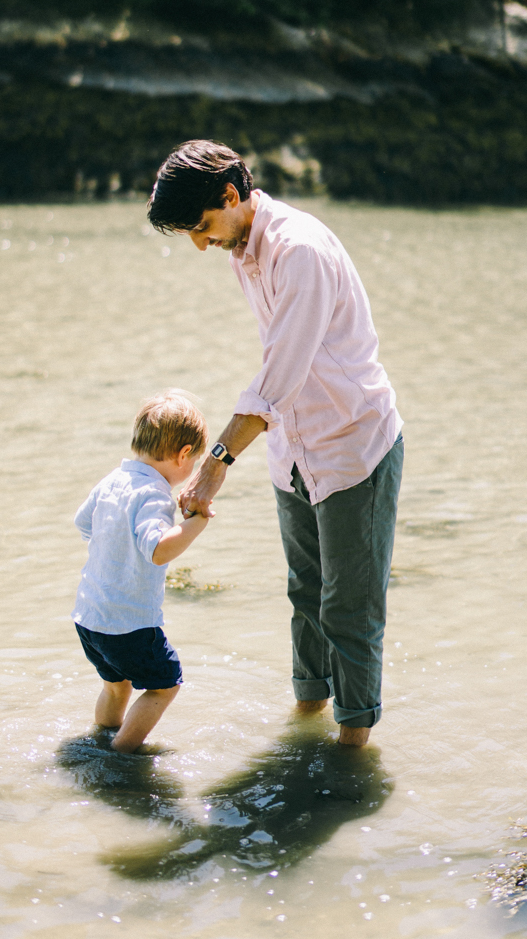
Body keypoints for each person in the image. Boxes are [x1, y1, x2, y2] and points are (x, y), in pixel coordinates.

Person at [148, 142, 403, 748]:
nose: (200, 244)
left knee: (350, 608)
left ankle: (349, 755)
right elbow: (279, 379)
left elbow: (281, 372)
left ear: (231, 196)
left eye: (202, 226)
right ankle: (304, 726)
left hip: (352, 448)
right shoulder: (244, 249)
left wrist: (214, 465)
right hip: (293, 448)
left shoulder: (300, 250)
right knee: (305, 595)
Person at [72, 390, 213, 753]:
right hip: (129, 624)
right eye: (194, 460)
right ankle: (122, 753)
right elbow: (158, 550)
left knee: (116, 685)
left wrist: (115, 542)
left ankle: (102, 738)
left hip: (90, 617)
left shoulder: (112, 481)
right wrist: (198, 522)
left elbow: (83, 523)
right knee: (165, 684)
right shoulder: (154, 494)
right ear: (184, 455)